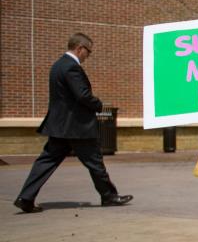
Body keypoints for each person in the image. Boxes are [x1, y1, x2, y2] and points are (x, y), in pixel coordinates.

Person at [14, 33, 133, 213]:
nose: (88, 56)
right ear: (79, 48)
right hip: (77, 127)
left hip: (59, 126)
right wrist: (99, 105)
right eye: (88, 52)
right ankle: (109, 196)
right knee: (95, 162)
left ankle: (26, 197)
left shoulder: (57, 65)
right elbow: (82, 95)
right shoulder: (71, 68)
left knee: (46, 161)